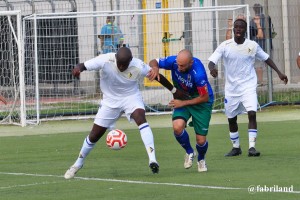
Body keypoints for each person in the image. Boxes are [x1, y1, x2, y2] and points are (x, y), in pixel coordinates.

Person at [64, 47, 159, 179]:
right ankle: (77, 164)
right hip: (110, 101)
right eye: (119, 63)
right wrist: (78, 69)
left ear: (130, 61)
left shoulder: (138, 65)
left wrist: (173, 91)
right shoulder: (105, 60)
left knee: (141, 118)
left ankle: (152, 160)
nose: (121, 67)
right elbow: (83, 65)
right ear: (115, 58)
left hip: (130, 98)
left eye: (124, 64)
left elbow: (157, 77)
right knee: (94, 135)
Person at [208, 18, 288, 157]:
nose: (238, 29)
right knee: (231, 119)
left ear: (245, 30)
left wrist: (279, 73)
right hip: (232, 89)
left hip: (248, 86)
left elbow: (266, 58)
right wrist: (212, 69)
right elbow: (212, 61)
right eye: (236, 27)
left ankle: (252, 147)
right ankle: (236, 147)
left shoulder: (252, 45)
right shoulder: (225, 45)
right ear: (233, 29)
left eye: (241, 27)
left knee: (252, 113)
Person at [149, 49, 214, 172]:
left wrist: (182, 103)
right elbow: (154, 61)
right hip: (182, 98)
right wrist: (155, 68)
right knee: (177, 127)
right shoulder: (174, 62)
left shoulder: (198, 73)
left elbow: (204, 97)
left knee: (201, 140)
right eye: (178, 64)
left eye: (182, 65)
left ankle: (201, 159)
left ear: (191, 62)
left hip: (202, 102)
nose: (178, 67)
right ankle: (189, 152)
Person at [250, 3, 274, 86]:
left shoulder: (253, 20)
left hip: (258, 45)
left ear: (254, 10)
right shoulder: (267, 18)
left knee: (258, 65)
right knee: (268, 62)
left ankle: (260, 81)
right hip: (268, 44)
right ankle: (269, 81)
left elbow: (254, 34)